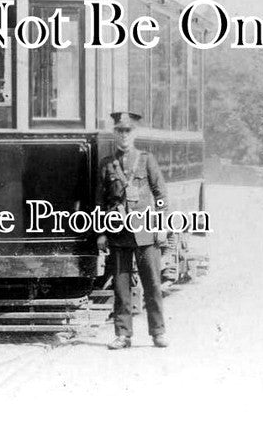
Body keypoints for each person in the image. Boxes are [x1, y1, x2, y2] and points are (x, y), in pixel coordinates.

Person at [99, 110, 169, 349]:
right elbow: (100, 201)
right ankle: (123, 335)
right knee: (121, 287)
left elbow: (160, 194)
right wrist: (100, 232)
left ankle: (158, 332)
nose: (124, 135)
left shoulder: (146, 159)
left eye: (128, 131)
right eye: (119, 130)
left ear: (134, 133)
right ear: (114, 133)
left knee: (152, 284)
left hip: (146, 233)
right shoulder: (107, 164)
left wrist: (161, 227)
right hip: (118, 233)